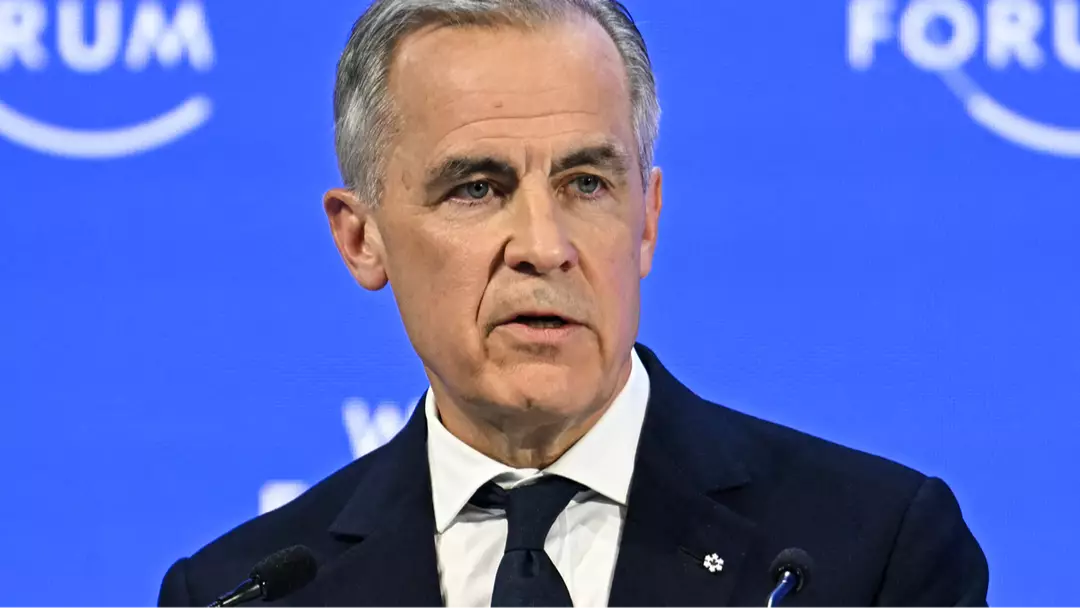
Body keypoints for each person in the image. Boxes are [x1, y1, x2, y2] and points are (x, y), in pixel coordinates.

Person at [158, 1, 989, 606]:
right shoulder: (246, 593)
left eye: (586, 183)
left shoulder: (869, 554)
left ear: (647, 221)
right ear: (361, 237)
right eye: (477, 188)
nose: (544, 244)